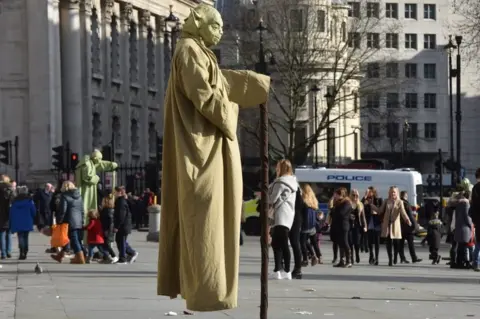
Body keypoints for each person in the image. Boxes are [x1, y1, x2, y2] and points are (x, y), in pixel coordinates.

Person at [156, 4, 271, 311]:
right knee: (206, 219)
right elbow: (205, 95)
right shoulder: (189, 51)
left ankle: (211, 290)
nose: (221, 31)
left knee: (213, 219)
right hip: (201, 150)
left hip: (207, 146)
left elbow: (217, 81)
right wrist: (231, 111)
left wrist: (254, 85)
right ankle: (208, 291)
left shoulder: (198, 51)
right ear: (200, 24)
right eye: (217, 25)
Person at [268, 159, 298, 280]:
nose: (276, 169)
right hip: (288, 215)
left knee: (278, 244)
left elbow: (272, 199)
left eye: (278, 167)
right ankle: (284, 270)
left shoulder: (280, 182)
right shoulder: (293, 183)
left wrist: (265, 196)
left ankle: (280, 270)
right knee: (283, 243)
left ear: (282, 168)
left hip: (280, 214)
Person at [371, 186, 412, 266]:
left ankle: (395, 257)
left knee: (396, 243)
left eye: (394, 192)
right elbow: (380, 211)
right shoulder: (386, 201)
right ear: (389, 193)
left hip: (395, 225)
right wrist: (372, 206)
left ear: (397, 193)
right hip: (387, 225)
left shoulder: (400, 202)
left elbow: (403, 212)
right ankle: (390, 259)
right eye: (391, 192)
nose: (392, 193)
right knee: (388, 242)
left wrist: (407, 220)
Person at [51, 181, 86, 264]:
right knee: (72, 238)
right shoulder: (79, 196)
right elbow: (82, 210)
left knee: (74, 239)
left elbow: (63, 210)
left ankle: (80, 258)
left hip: (69, 221)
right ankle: (60, 256)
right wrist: (82, 220)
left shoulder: (64, 196)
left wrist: (59, 220)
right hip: (78, 221)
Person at [9, 186, 36, 260]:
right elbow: (34, 212)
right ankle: (25, 250)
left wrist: (11, 221)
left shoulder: (15, 201)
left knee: (20, 237)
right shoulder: (29, 201)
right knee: (26, 237)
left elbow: (11, 212)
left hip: (18, 222)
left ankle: (22, 252)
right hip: (27, 221)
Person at [114, 186, 138, 264]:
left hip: (123, 225)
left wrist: (117, 226)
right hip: (124, 225)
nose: (114, 194)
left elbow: (121, 216)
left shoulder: (121, 202)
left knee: (121, 241)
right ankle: (131, 252)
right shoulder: (121, 200)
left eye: (115, 192)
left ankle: (123, 258)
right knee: (120, 240)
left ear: (119, 192)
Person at [299, 183, 322, 267]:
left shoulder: (304, 200)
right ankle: (316, 256)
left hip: (305, 224)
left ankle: (305, 259)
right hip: (312, 225)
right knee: (312, 242)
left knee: (302, 243)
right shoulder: (314, 200)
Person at [396, 191, 422, 264]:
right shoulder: (404, 203)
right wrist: (414, 224)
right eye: (406, 195)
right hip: (407, 226)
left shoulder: (403, 202)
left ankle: (404, 258)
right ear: (405, 195)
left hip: (404, 226)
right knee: (409, 243)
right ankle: (412, 258)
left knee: (402, 243)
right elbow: (407, 215)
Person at [330, 188, 353, 268]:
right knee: (340, 243)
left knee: (345, 242)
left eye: (336, 194)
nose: (334, 196)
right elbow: (332, 214)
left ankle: (348, 261)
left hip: (344, 225)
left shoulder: (347, 203)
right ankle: (341, 261)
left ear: (341, 195)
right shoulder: (338, 203)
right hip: (337, 225)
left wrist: (333, 210)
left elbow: (341, 213)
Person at [362, 186, 383, 265]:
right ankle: (371, 255)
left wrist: (376, 210)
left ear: (374, 192)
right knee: (370, 241)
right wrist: (365, 197)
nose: (369, 193)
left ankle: (377, 258)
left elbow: (381, 210)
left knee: (377, 241)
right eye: (368, 192)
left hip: (377, 221)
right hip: (369, 221)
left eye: (370, 192)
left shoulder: (379, 200)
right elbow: (361, 206)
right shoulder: (366, 200)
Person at [451, 190, 472, 269]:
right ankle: (463, 262)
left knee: (460, 246)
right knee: (464, 247)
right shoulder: (466, 204)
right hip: (465, 228)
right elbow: (467, 217)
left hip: (459, 227)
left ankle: (459, 262)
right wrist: (471, 225)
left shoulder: (458, 204)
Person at [349, 189, 367, 264]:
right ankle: (351, 257)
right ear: (351, 195)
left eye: (357, 195)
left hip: (357, 225)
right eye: (353, 195)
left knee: (357, 242)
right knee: (350, 242)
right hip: (349, 225)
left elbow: (363, 217)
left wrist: (365, 226)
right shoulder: (348, 203)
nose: (355, 196)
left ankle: (357, 254)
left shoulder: (360, 204)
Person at [100, 194, 118, 263]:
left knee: (106, 244)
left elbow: (110, 221)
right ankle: (106, 257)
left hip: (107, 229)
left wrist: (107, 230)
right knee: (104, 244)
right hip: (107, 229)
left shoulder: (107, 210)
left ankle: (114, 256)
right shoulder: (108, 210)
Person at [0, 175, 14, 259]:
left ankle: (3, 253)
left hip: (1, 215)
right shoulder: (11, 189)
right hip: (10, 214)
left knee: (1, 234)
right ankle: (8, 251)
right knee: (9, 233)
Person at [469, 168, 480, 270]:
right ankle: (476, 262)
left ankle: (475, 263)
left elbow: (473, 205)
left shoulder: (475, 188)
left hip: (477, 220)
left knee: (478, 242)